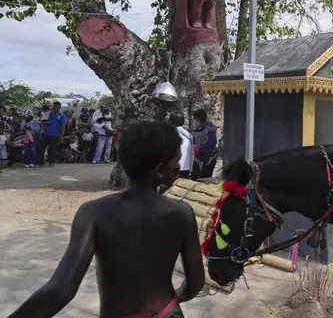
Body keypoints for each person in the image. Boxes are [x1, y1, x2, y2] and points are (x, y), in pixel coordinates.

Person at [7, 121, 205, 318]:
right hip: (168, 312)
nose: (179, 168)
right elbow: (195, 284)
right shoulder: (182, 213)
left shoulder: (94, 212)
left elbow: (60, 290)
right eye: (176, 162)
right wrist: (172, 301)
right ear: (160, 170)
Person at [37, 101, 66, 166]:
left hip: (55, 134)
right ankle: (41, 161)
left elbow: (63, 126)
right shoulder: (48, 114)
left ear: (60, 107)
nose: (55, 108)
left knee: (53, 149)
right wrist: (44, 124)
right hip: (45, 134)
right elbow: (42, 122)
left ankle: (51, 161)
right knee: (41, 147)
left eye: (56, 106)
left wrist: (61, 136)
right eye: (54, 106)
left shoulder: (62, 115)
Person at [191, 108, 218, 179]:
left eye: (196, 120)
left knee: (204, 180)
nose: (194, 122)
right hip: (197, 160)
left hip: (208, 160)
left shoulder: (210, 130)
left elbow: (211, 146)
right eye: (194, 119)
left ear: (201, 121)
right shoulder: (193, 132)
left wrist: (210, 159)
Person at [170, 111, 194, 180]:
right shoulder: (189, 136)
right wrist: (190, 168)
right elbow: (192, 154)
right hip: (186, 168)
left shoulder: (170, 134)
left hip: (173, 168)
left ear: (171, 121)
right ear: (183, 121)